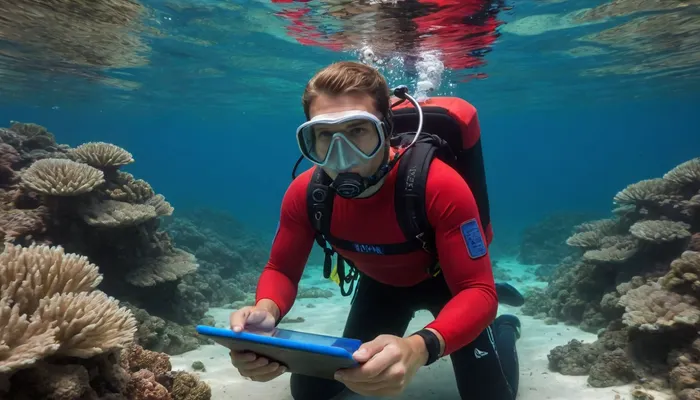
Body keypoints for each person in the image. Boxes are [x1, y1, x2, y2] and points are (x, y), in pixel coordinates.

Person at [228, 61, 522, 400]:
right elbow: (280, 269)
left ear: (385, 128)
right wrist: (266, 310)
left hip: (451, 285)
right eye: (325, 135)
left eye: (358, 131)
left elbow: (477, 291)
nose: (343, 155)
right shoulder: (306, 194)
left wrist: (419, 347)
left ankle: (505, 328)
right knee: (309, 391)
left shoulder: (439, 186)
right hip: (382, 287)